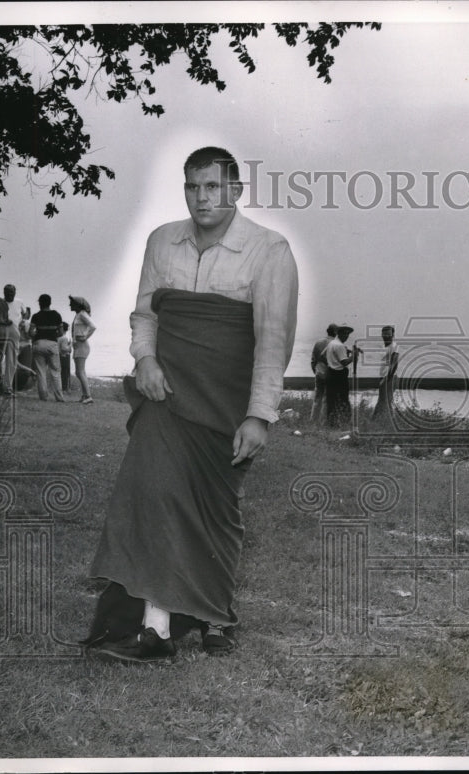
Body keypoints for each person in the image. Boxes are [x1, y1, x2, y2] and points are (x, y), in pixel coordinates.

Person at [83, 146, 299, 663]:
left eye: (213, 187)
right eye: (192, 186)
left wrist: (259, 414)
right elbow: (144, 316)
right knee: (155, 493)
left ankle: (214, 613)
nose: (202, 198)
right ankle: (155, 630)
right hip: (167, 392)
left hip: (226, 401)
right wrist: (145, 361)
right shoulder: (162, 241)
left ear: (235, 191)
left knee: (215, 509)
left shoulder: (270, 250)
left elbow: (273, 339)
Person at [29, 294, 65, 402]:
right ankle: (59, 397)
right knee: (55, 371)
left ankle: (43, 397)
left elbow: (31, 332)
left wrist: (36, 336)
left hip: (39, 344)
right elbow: (61, 332)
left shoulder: (35, 316)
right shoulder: (57, 315)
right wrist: (53, 336)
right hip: (52, 344)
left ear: (40, 303)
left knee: (41, 371)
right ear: (50, 303)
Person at [324, 323, 356, 427]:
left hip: (330, 373)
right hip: (339, 375)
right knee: (343, 399)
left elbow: (325, 355)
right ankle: (346, 422)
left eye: (348, 334)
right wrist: (354, 356)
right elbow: (344, 362)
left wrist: (347, 351)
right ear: (339, 333)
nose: (346, 336)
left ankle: (331, 423)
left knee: (331, 399)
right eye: (345, 334)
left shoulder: (332, 343)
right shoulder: (339, 346)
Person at [2, 284, 29, 394]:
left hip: (14, 330)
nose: (9, 294)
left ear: (15, 293)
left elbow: (26, 313)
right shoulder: (1, 302)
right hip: (2, 330)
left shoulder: (19, 302)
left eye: (12, 292)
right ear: (4, 293)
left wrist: (24, 321)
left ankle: (8, 386)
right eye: (7, 292)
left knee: (12, 359)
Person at [69, 295, 97, 404]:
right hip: (79, 345)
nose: (70, 305)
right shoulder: (78, 315)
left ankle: (88, 396)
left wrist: (85, 336)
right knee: (79, 372)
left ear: (77, 305)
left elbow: (93, 326)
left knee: (80, 372)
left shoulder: (82, 314)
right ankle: (85, 395)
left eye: (72, 303)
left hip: (82, 345)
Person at [309, 323, 337, 424]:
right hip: (330, 373)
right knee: (326, 399)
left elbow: (313, 360)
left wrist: (315, 370)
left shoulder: (318, 342)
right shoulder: (335, 343)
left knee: (317, 398)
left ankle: (313, 421)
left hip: (319, 372)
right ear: (335, 332)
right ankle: (323, 422)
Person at [372, 325, 399, 423]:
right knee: (383, 401)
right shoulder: (385, 346)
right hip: (383, 376)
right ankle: (376, 421)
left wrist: (387, 378)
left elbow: (394, 364)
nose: (386, 336)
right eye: (384, 334)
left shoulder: (394, 346)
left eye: (388, 334)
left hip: (389, 377)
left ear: (393, 335)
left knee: (386, 401)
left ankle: (389, 422)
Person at [58, 322, 73, 392]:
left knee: (63, 372)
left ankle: (64, 387)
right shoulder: (64, 338)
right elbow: (64, 349)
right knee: (65, 372)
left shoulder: (59, 337)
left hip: (60, 356)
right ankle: (64, 387)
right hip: (64, 357)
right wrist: (70, 346)